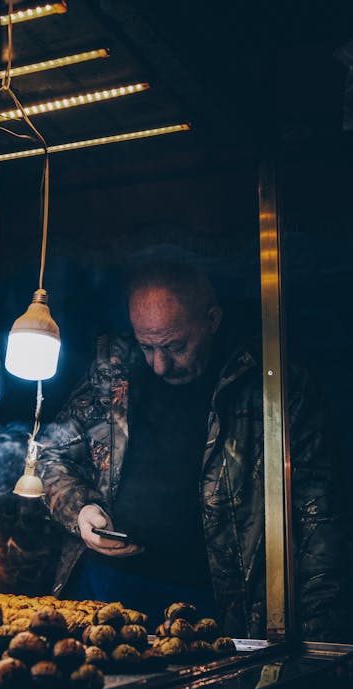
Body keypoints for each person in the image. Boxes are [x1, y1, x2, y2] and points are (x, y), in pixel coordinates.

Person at [36, 260, 347, 639]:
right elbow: (50, 457)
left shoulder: (272, 380)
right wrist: (81, 510)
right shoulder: (111, 368)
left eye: (176, 346)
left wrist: (322, 635)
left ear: (212, 320)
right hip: (107, 587)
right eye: (147, 346)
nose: (160, 365)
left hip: (218, 604)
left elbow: (317, 515)